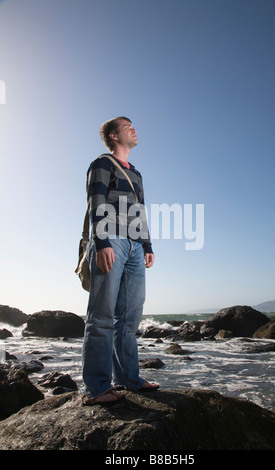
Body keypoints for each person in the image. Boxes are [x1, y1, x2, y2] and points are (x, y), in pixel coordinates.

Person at [82, 116, 159, 404]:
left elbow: (140, 210)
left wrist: (147, 245)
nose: (134, 129)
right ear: (114, 136)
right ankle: (97, 388)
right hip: (110, 239)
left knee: (129, 318)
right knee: (101, 316)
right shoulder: (102, 164)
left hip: (136, 247)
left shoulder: (136, 174)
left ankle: (129, 379)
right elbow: (96, 202)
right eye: (128, 127)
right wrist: (101, 242)